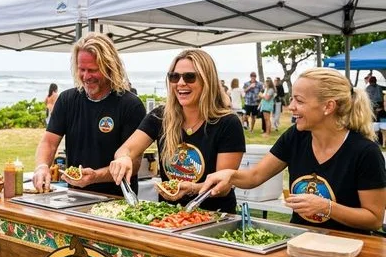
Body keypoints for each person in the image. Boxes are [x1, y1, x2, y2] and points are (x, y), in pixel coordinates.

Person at [201, 67, 386, 234]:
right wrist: (229, 175)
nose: (291, 107)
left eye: (299, 100)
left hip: (349, 253)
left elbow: (374, 219)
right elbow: (255, 176)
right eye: (291, 99)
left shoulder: (365, 152)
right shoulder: (296, 137)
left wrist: (327, 207)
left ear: (328, 106)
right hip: (299, 242)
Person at [109, 50, 245, 213]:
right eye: (174, 77)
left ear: (207, 80)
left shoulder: (228, 123)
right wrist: (124, 158)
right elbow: (126, 149)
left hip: (214, 217)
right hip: (169, 217)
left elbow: (222, 185)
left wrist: (192, 188)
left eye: (189, 77)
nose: (180, 83)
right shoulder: (159, 117)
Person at [32, 32, 146, 196]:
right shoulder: (67, 99)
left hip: (116, 201)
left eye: (93, 70)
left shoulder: (130, 105)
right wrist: (42, 166)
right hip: (74, 197)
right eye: (81, 69)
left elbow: (133, 164)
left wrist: (95, 177)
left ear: (109, 67)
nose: (86, 76)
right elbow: (49, 143)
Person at [365, 75, 386, 146]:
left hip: (373, 110)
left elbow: (368, 100)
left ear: (370, 82)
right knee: (382, 128)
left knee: (375, 127)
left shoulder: (368, 88)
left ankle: (376, 143)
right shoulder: (379, 87)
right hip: (380, 109)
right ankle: (382, 143)